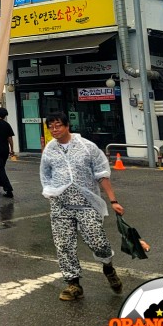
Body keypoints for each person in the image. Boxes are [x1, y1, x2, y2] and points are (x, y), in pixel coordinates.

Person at [40, 112, 124, 301]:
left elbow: (102, 173)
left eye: (58, 125)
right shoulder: (49, 150)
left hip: (86, 204)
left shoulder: (87, 147)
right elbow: (45, 175)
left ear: (67, 125)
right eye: (51, 127)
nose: (54, 130)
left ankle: (108, 267)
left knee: (97, 241)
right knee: (64, 245)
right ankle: (73, 284)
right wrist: (49, 192)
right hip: (60, 205)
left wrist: (113, 201)